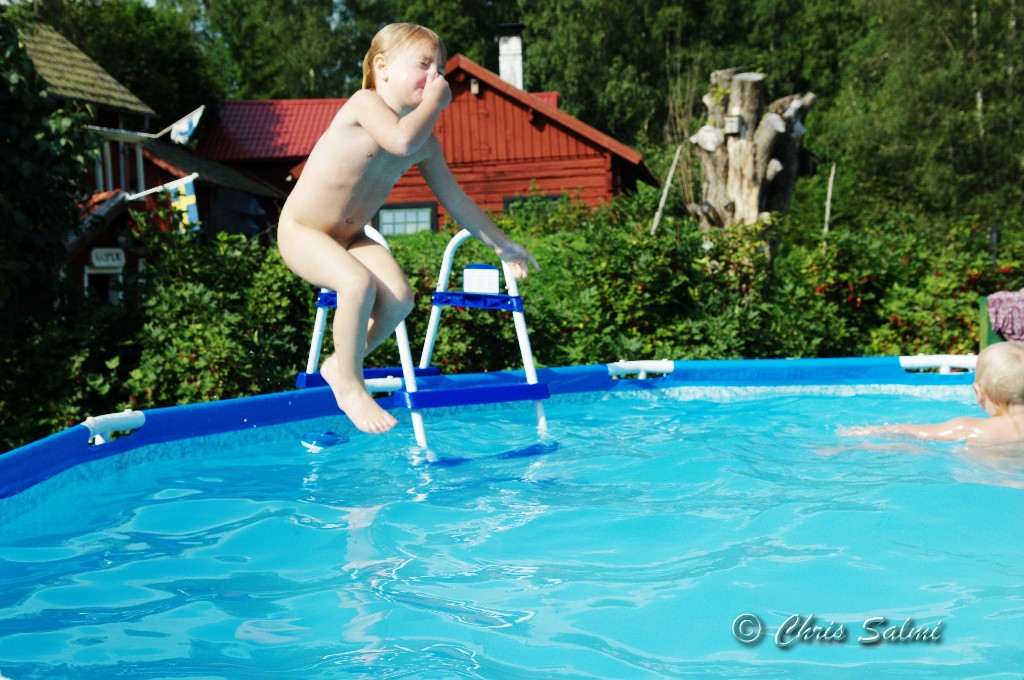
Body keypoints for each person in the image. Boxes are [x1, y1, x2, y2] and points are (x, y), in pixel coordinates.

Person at [277, 23, 539, 435]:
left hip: (350, 238)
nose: (436, 76)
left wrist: (503, 245)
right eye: (424, 65)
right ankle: (350, 386)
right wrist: (435, 101)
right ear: (382, 67)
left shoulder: (426, 143)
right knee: (356, 283)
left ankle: (341, 364)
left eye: (440, 69)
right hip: (302, 230)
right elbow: (399, 141)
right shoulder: (364, 104)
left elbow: (457, 202)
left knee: (399, 298)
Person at [842, 342, 1024, 443]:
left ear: (979, 393)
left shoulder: (968, 428)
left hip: (984, 485)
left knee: (909, 448)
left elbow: (914, 432)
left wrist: (864, 431)